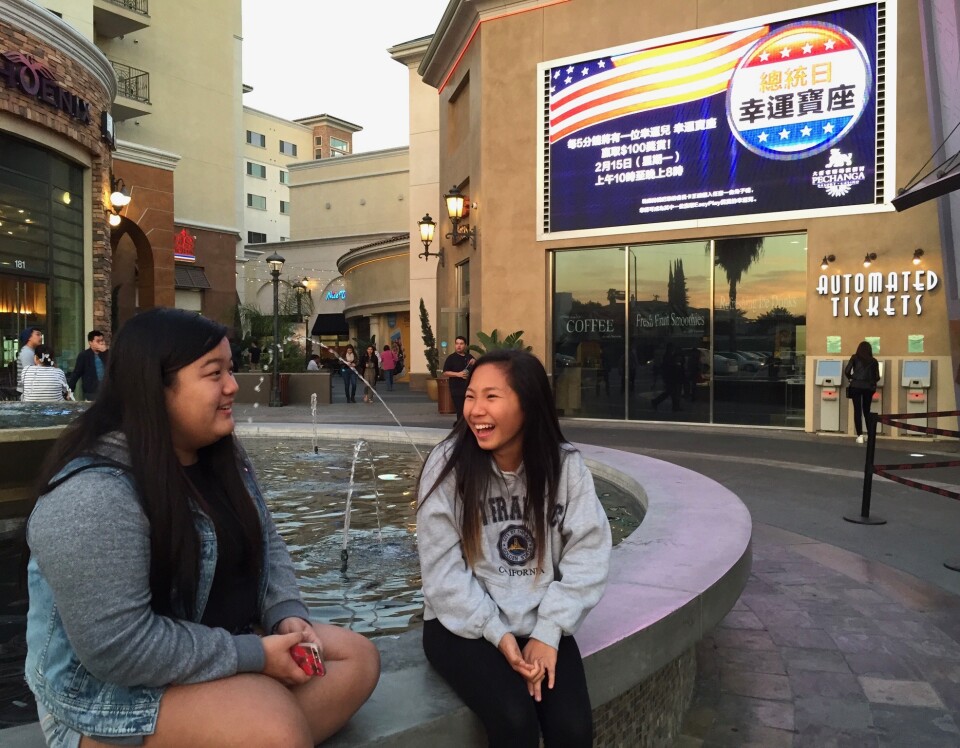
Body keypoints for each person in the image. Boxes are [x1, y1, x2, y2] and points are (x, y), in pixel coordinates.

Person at [24, 307, 380, 747]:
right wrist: (252, 658)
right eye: (214, 374)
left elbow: (267, 540)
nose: (234, 386)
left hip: (211, 646)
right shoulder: (94, 494)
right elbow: (119, 647)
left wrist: (285, 614)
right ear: (155, 386)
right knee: (271, 726)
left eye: (230, 370)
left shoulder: (219, 453)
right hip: (109, 699)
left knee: (355, 659)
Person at [417, 350, 612, 747]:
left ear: (529, 403)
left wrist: (549, 630)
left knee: (573, 730)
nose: (475, 410)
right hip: (462, 626)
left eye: (492, 396)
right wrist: (498, 633)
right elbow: (442, 573)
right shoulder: (447, 466)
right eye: (470, 396)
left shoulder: (566, 467)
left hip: (538, 619)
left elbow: (588, 551)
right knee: (514, 722)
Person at [844, 340, 881, 444]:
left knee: (857, 411)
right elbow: (877, 377)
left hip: (856, 386)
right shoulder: (874, 361)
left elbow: (847, 371)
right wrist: (871, 381)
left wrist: (851, 378)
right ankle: (870, 435)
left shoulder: (854, 357)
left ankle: (860, 436)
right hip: (868, 388)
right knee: (866, 411)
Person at [68, 330, 108, 400]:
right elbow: (76, 373)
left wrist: (106, 352)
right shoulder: (84, 355)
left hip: (107, 389)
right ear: (90, 342)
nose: (101, 343)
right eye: (98, 341)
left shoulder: (107, 353)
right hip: (92, 391)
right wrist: (70, 390)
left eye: (102, 340)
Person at [442, 336, 475, 420]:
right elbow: (445, 372)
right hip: (456, 389)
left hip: (469, 389)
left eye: (461, 344)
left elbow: (476, 370)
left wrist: (475, 363)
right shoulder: (451, 358)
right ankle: (460, 429)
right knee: (460, 410)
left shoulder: (469, 357)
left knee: (468, 410)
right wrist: (458, 374)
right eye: (457, 344)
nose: (459, 346)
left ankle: (466, 428)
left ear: (465, 345)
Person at [651, 343, 684, 412]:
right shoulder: (668, 357)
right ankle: (657, 402)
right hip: (670, 377)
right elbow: (668, 367)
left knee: (671, 392)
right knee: (671, 392)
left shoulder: (668, 356)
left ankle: (674, 406)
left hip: (670, 377)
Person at [17, 326, 42, 395]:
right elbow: (30, 375)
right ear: (29, 337)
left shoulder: (31, 351)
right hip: (28, 391)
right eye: (37, 334)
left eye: (41, 335)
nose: (40, 337)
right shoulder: (27, 352)